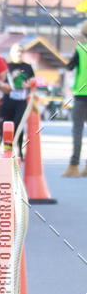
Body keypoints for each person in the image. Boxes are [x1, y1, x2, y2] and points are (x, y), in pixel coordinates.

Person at [0, 43, 35, 159]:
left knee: (18, 124)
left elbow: (33, 82)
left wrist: (29, 85)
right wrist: (12, 77)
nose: (19, 53)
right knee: (7, 125)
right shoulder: (6, 66)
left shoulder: (27, 67)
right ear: (11, 53)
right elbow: (1, 83)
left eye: (21, 51)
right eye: (16, 51)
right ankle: (7, 150)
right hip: (8, 99)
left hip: (21, 100)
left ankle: (19, 150)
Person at [62, 20, 87, 177]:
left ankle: (73, 166)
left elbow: (69, 67)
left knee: (77, 130)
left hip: (80, 95)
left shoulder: (80, 48)